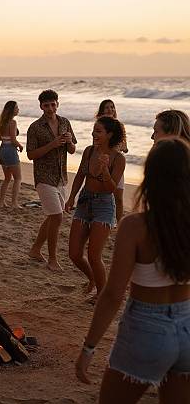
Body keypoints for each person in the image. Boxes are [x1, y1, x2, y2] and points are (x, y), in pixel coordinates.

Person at [76, 138, 190, 404]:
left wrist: (89, 347)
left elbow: (114, 294)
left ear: (150, 176)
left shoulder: (136, 226)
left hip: (146, 328)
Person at [65, 117, 126, 295]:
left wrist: (105, 170)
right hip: (84, 202)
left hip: (104, 205)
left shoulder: (118, 158)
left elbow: (111, 188)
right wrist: (71, 198)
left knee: (94, 255)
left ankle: (101, 294)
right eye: (94, 130)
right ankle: (92, 278)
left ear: (110, 134)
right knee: (74, 254)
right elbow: (79, 176)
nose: (94, 134)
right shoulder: (89, 151)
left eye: (98, 131)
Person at [27, 89, 77, 271]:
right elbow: (31, 154)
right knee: (57, 216)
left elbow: (72, 150)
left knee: (52, 217)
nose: (50, 108)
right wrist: (52, 144)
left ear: (57, 104)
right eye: (46, 105)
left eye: (53, 104)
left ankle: (35, 249)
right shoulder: (35, 127)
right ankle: (53, 259)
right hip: (43, 177)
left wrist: (70, 142)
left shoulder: (65, 122)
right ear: (41, 106)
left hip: (61, 177)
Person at [96, 99, 128, 221]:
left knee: (118, 196)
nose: (110, 109)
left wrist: (123, 148)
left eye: (112, 107)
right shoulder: (99, 126)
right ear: (102, 111)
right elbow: (95, 145)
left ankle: (118, 223)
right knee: (103, 194)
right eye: (107, 107)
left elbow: (125, 147)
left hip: (117, 163)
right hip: (102, 162)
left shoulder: (120, 126)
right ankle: (104, 219)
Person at [0, 101, 23, 208]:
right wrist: (20, 146)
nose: (18, 109)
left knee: (7, 178)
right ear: (12, 110)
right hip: (10, 150)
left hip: (2, 149)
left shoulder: (2, 122)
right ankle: (14, 203)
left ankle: (1, 202)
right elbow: (13, 139)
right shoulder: (12, 122)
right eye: (16, 107)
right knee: (17, 178)